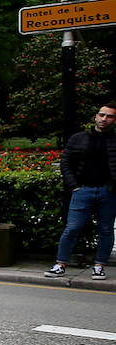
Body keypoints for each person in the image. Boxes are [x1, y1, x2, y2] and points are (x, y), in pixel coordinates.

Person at [45, 101, 116, 280]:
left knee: (106, 230)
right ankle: (60, 264)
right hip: (82, 191)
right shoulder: (78, 138)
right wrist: (74, 186)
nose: (104, 119)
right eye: (101, 115)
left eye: (109, 116)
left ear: (114, 120)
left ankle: (99, 266)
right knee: (72, 228)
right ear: (96, 117)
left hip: (107, 193)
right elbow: (66, 163)